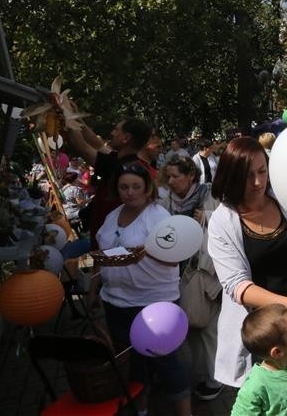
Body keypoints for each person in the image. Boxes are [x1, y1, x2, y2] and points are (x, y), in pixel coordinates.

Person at [207, 137, 287, 393]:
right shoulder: (222, 221)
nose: (258, 182)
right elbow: (237, 287)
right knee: (275, 404)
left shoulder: (284, 201)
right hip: (264, 334)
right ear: (231, 176)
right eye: (248, 175)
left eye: (262, 171)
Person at [89, 162, 191, 415]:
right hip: (116, 302)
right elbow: (101, 256)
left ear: (148, 189)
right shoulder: (113, 216)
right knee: (131, 364)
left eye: (136, 186)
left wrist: (145, 253)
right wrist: (93, 289)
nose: (130, 192)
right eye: (124, 187)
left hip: (154, 304)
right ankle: (141, 409)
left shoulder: (158, 217)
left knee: (166, 362)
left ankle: (185, 413)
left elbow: (175, 257)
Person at [158, 154, 223, 401]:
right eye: (169, 176)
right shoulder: (167, 203)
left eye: (177, 176)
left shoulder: (209, 195)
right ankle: (205, 372)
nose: (172, 181)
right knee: (193, 326)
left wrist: (208, 218)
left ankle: (216, 377)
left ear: (191, 176)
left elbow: (224, 227)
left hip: (205, 272)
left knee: (207, 327)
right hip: (178, 273)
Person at [62, 112, 153, 246]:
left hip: (108, 238)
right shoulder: (129, 163)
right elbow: (98, 144)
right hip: (115, 234)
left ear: (126, 138)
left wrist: (65, 114)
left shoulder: (117, 166)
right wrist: (77, 117)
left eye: (117, 130)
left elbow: (82, 147)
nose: (112, 133)